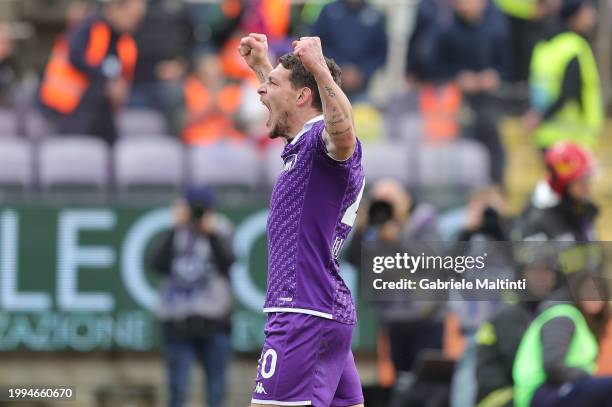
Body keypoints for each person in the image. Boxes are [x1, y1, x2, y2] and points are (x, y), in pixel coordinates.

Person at [238, 32, 365, 406]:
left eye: (271, 85)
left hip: (301, 314)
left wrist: (317, 67)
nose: (261, 92)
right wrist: (265, 67)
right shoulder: (304, 147)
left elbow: (343, 134)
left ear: (303, 96)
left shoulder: (326, 145)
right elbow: (293, 103)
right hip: (323, 311)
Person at [150, 187, 235, 407]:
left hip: (214, 321)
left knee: (216, 391)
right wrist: (174, 228)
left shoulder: (221, 229)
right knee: (177, 390)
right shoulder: (175, 231)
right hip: (178, 321)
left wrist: (211, 234)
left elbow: (229, 261)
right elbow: (156, 264)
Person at [38, 0, 146, 144]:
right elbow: (75, 56)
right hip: (68, 109)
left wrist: (120, 87)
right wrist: (107, 80)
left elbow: (123, 76)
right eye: (133, 15)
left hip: (100, 111)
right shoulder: (89, 27)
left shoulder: (125, 42)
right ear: (116, 9)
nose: (136, 21)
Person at [433, 0, 510, 185]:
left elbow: (506, 66)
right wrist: (457, 78)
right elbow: (435, 66)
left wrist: (494, 77)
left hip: (487, 101)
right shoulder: (446, 32)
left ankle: (495, 185)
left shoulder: (495, 31)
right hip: (456, 103)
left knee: (492, 143)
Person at [475, 245, 559, 407]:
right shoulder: (509, 316)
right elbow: (525, 370)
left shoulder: (551, 313)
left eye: (547, 271)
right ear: (521, 275)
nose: (541, 278)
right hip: (502, 400)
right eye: (534, 271)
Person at [513, 271, 611, 407]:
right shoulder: (563, 316)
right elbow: (553, 366)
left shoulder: (583, 323)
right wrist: (585, 375)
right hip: (542, 391)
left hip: (561, 386)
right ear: (577, 292)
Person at [524, 0, 603, 151]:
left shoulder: (544, 46)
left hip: (545, 136)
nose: (593, 17)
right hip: (573, 138)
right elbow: (569, 92)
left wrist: (538, 117)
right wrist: (542, 117)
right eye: (587, 12)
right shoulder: (575, 47)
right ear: (574, 17)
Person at [518, 141, 598, 242]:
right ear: (563, 183)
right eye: (582, 181)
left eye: (588, 179)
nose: (587, 187)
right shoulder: (536, 219)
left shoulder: (581, 209)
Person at [311, 0, 387, 100]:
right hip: (328, 84)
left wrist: (362, 72)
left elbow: (380, 53)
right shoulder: (329, 11)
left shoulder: (375, 15)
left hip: (361, 88)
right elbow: (316, 44)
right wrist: (337, 68)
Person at [182, 53, 246, 146]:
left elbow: (238, 120)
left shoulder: (232, 89)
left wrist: (220, 107)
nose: (213, 76)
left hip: (228, 139)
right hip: (199, 138)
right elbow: (182, 120)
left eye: (216, 72)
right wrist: (209, 106)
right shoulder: (190, 87)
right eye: (208, 72)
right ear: (199, 74)